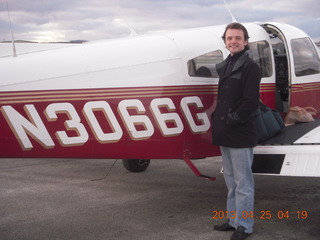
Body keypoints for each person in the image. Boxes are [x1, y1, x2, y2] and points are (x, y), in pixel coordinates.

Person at [211, 23, 261, 240]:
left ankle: (244, 226)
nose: (233, 41)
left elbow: (251, 102)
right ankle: (233, 220)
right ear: (225, 41)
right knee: (231, 180)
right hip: (226, 131)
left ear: (245, 41)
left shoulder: (250, 66)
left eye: (237, 38)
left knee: (243, 183)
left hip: (239, 132)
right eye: (230, 38)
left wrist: (233, 118)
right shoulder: (229, 63)